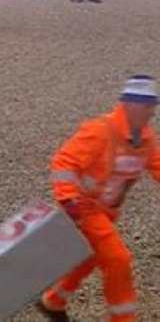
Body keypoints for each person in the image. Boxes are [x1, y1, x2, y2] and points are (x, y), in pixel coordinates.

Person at [37, 75, 160, 322]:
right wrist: (68, 198)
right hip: (83, 209)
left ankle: (54, 300)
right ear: (132, 105)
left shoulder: (145, 139)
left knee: (91, 256)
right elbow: (64, 162)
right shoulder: (100, 131)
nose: (152, 113)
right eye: (149, 107)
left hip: (106, 212)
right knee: (118, 259)